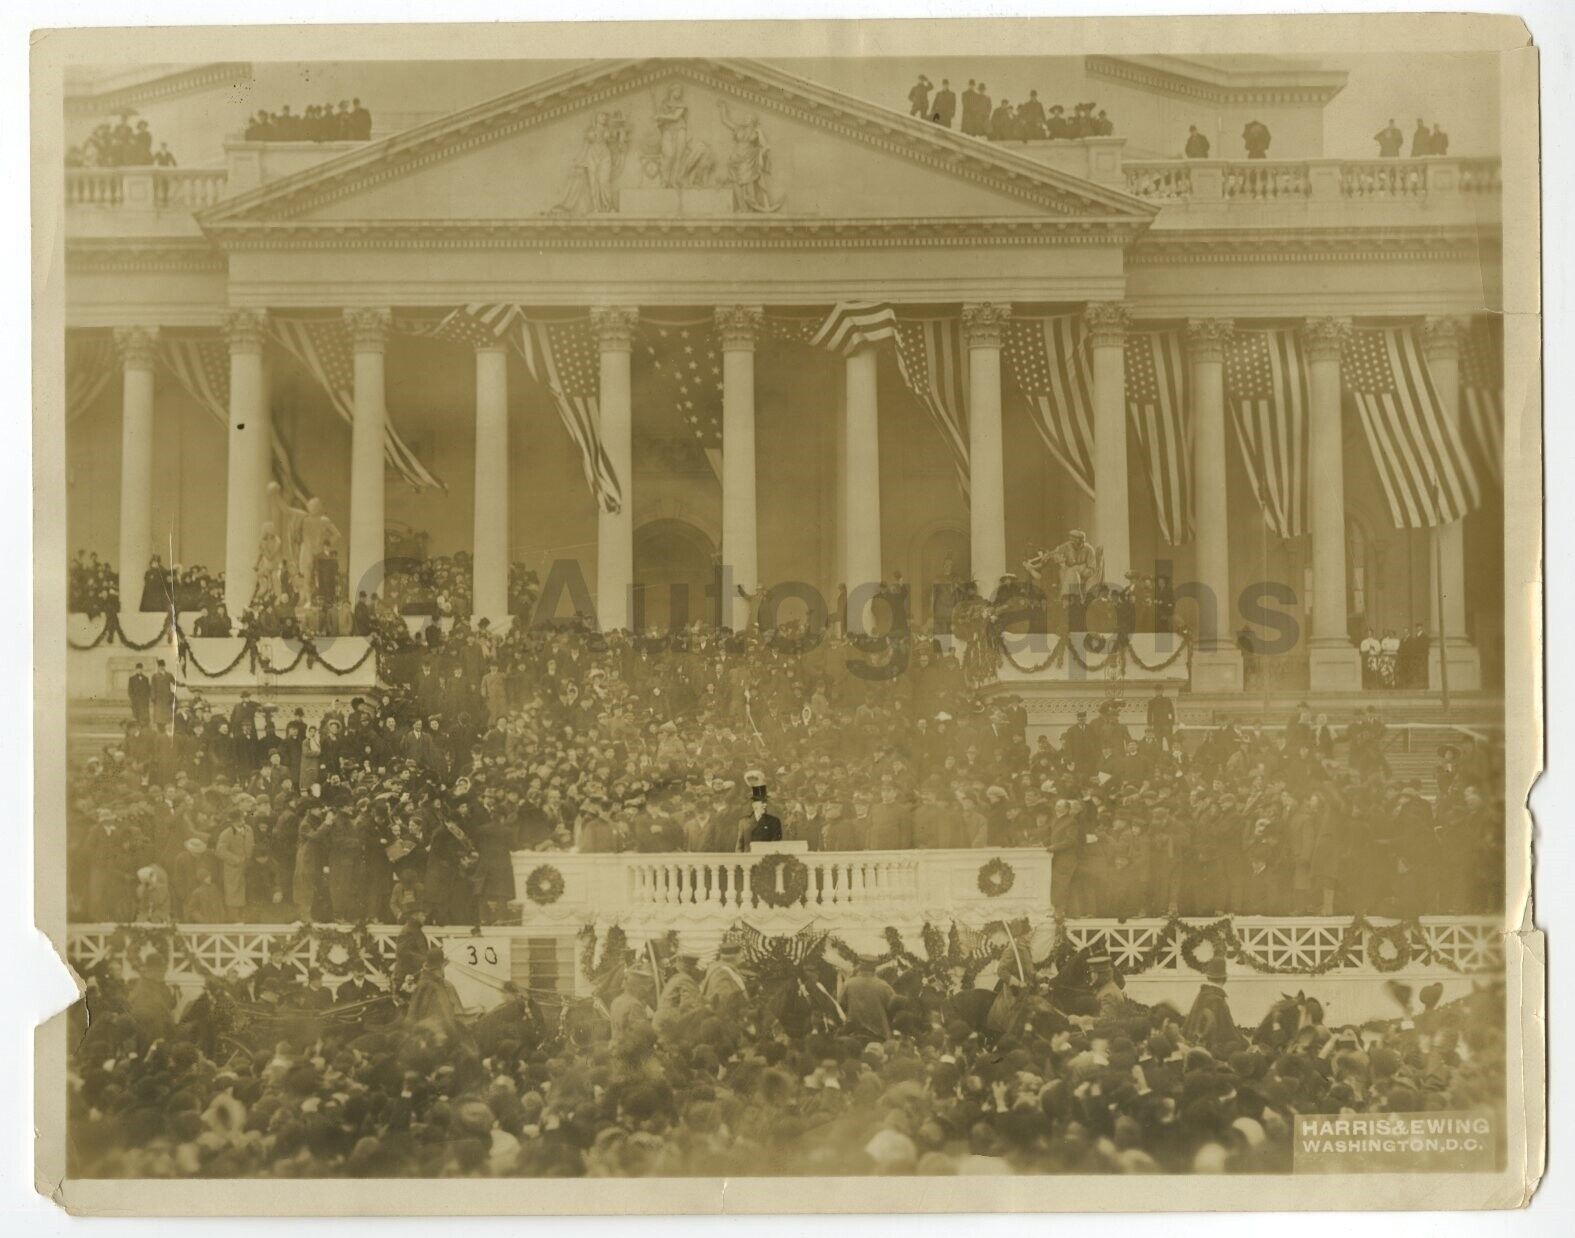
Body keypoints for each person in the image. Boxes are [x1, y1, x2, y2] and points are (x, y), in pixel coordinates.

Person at [1182, 957, 1244, 1056]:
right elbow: (1228, 1031)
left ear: (1208, 977)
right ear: (1225, 979)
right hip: (1212, 1053)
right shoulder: (1218, 1001)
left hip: (1194, 1049)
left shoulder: (1201, 996)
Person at [841, 957, 895, 1039]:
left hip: (853, 1033)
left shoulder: (849, 983)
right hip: (878, 1035)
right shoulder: (883, 986)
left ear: (860, 967)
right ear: (874, 969)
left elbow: (841, 1004)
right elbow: (894, 1007)